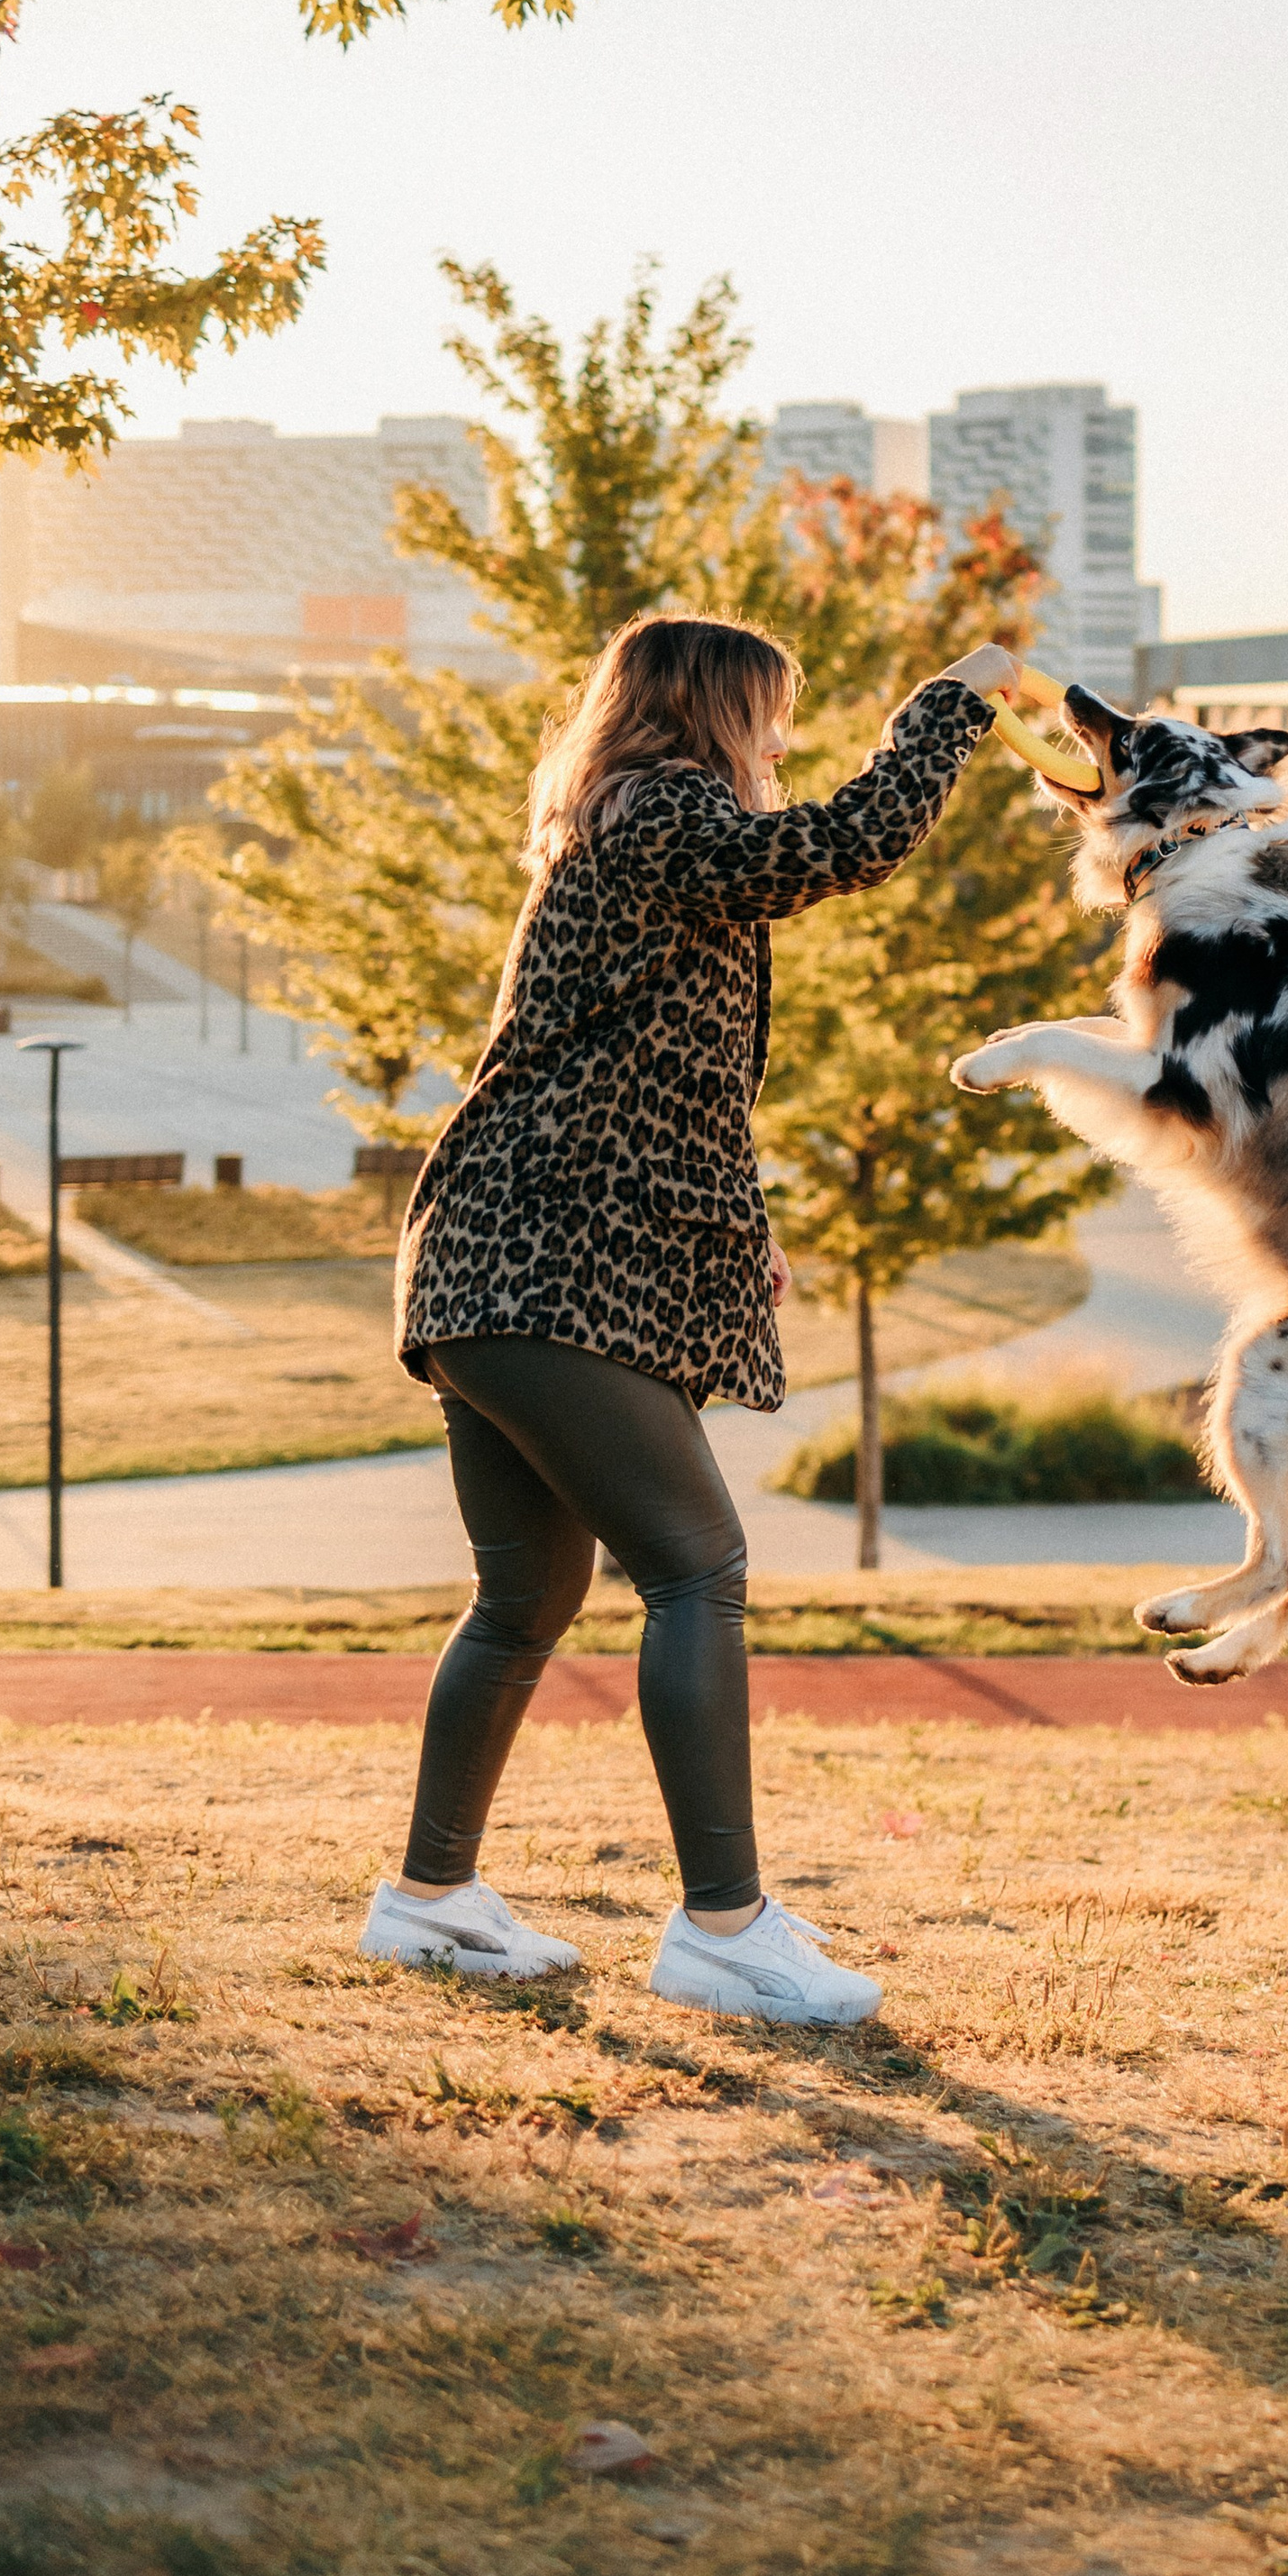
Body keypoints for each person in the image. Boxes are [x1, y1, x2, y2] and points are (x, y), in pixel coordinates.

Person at [356, 611, 1017, 2025]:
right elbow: (839, 849)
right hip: (540, 1260)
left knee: (528, 1595)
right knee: (696, 1564)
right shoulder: (663, 811)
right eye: (768, 713)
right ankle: (725, 1927)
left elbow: (657, 1074)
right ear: (710, 710)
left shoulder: (627, 832)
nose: (779, 742)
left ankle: (427, 1900)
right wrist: (945, 711)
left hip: (500, 1256)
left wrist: (744, 1229)